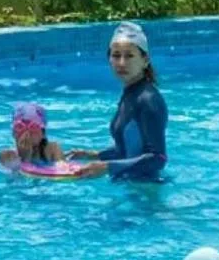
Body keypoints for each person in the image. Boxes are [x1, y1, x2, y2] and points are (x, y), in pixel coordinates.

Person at [67, 21, 167, 182]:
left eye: (129, 56)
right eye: (116, 55)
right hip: (129, 188)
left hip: (147, 194)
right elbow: (129, 149)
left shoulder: (148, 100)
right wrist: (94, 155)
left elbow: (158, 158)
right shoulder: (130, 94)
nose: (121, 63)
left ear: (145, 60)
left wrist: (107, 167)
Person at [0, 102, 105, 175]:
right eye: (19, 128)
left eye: (33, 128)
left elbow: (63, 168)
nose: (27, 134)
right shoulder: (8, 155)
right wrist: (25, 157)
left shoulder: (52, 148)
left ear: (43, 133)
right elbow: (15, 180)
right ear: (13, 133)